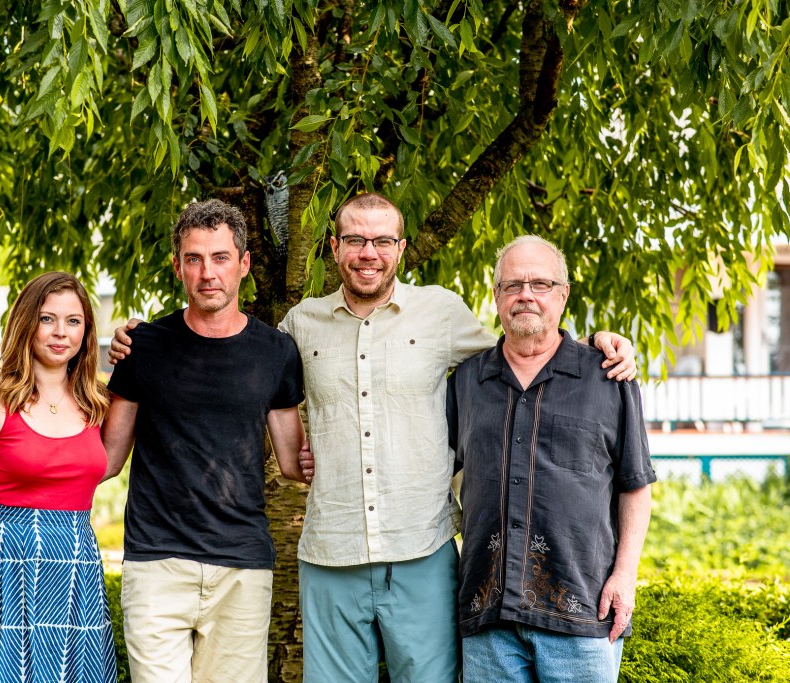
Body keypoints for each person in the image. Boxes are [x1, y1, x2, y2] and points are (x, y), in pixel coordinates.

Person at [112, 193, 636, 682]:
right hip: (330, 553)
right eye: (356, 241)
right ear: (334, 248)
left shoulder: (442, 313)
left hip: (420, 550)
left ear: (400, 249)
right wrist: (133, 343)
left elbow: (522, 345)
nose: (370, 253)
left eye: (383, 241)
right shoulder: (299, 326)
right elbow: (232, 357)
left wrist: (595, 346)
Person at [101, 199, 308, 683]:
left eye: (219, 258)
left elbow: (295, 463)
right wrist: (4, 479)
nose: (207, 272)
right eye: (194, 259)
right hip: (156, 563)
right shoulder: (142, 346)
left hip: (241, 566)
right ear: (177, 267)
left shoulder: (276, 352)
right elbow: (107, 458)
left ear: (244, 264)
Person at [446, 235, 655, 682]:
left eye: (541, 284)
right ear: (496, 295)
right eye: (513, 284)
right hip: (488, 614)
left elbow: (635, 484)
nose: (526, 295)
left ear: (563, 295)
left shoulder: (608, 378)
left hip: (581, 611)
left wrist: (625, 577)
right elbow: (429, 469)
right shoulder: (466, 381)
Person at [0, 272, 118, 682]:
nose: (60, 332)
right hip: (1, 565)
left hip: (75, 569)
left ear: (87, 331)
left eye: (74, 321)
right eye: (47, 319)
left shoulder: (98, 403)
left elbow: (110, 463)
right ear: (26, 323)